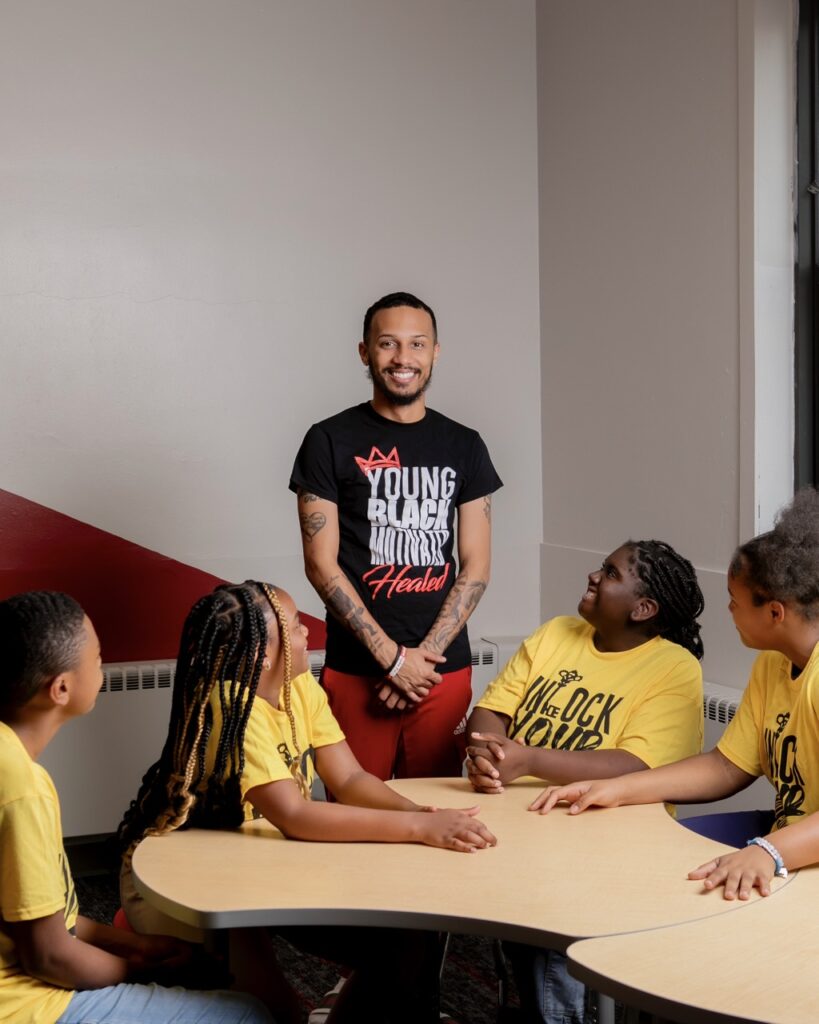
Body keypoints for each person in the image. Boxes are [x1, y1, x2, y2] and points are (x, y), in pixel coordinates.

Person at [117, 581, 496, 1024]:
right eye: (295, 627)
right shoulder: (230, 706)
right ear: (262, 654)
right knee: (272, 1016)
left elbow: (351, 778)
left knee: (407, 937)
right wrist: (418, 831)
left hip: (260, 859)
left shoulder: (299, 686)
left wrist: (419, 814)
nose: (306, 635)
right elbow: (295, 815)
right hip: (187, 881)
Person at [534, 489, 819, 906]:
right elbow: (725, 767)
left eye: (735, 602)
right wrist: (618, 789)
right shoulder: (771, 666)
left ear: (775, 613)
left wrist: (769, 853)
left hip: (793, 849)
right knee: (645, 857)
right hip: (781, 837)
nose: (728, 611)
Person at [0, 590, 271, 1024]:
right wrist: (142, 973)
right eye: (98, 657)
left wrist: (140, 946)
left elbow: (47, 920)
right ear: (61, 688)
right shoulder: (22, 789)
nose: (102, 667)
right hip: (24, 1006)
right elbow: (48, 956)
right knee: (250, 1015)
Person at [465, 539, 706, 1024]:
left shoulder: (675, 669)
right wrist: (489, 753)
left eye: (611, 573)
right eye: (602, 567)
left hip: (602, 848)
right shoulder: (556, 633)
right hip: (517, 825)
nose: (594, 576)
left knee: (550, 955)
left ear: (643, 608)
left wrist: (528, 759)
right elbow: (491, 710)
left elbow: (637, 766)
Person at [290, 291, 502, 781]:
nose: (403, 358)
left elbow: (476, 566)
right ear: (365, 352)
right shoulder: (328, 440)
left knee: (441, 812)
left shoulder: (465, 445)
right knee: (357, 818)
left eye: (417, 344)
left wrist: (418, 664)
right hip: (357, 668)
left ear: (435, 352)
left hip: (440, 673)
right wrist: (391, 659)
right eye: (388, 344)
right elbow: (321, 564)